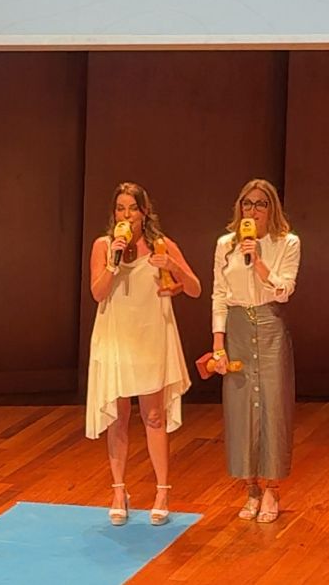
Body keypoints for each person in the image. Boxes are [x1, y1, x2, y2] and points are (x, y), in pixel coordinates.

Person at [85, 182, 201, 526]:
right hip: (116, 336)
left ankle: (162, 492)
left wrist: (173, 266)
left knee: (153, 416)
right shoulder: (103, 246)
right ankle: (119, 491)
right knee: (119, 417)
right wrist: (113, 262)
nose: (127, 215)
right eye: (120, 208)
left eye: (132, 208)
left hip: (150, 335)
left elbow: (194, 289)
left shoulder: (160, 245)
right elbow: (97, 293)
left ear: (144, 212)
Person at [209, 178, 300, 523]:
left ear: (271, 208)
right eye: (247, 203)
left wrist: (259, 261)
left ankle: (272, 489)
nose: (253, 210)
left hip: (270, 322)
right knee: (240, 407)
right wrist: (218, 343)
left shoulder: (287, 242)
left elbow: (284, 290)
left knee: (274, 405)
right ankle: (250, 488)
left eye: (261, 204)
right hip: (237, 327)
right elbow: (219, 294)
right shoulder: (225, 244)